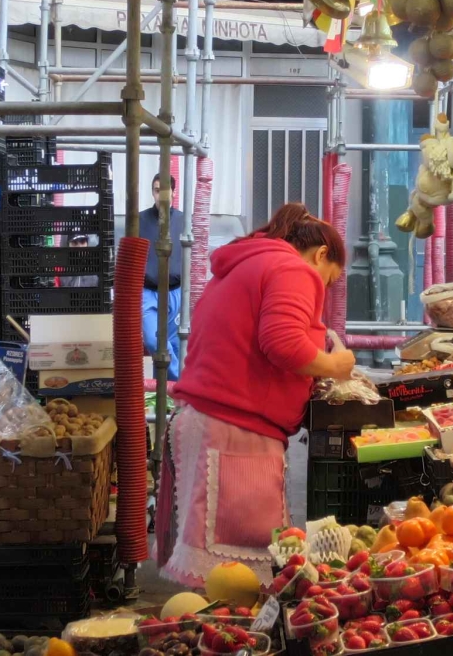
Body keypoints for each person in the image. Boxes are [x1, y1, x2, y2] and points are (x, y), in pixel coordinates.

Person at [156, 203, 355, 586]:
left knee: (217, 574)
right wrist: (335, 365)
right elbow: (283, 342)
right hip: (235, 431)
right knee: (243, 577)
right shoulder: (294, 270)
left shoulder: (245, 265)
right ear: (321, 255)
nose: (325, 288)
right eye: (330, 280)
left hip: (206, 421)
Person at [138, 173, 184, 381]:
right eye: (157, 191)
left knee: (173, 344)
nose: (160, 196)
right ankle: (183, 383)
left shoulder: (183, 221)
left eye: (164, 191)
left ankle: (166, 393)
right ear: (152, 193)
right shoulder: (139, 221)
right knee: (154, 340)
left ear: (173, 193)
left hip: (175, 291)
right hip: (148, 292)